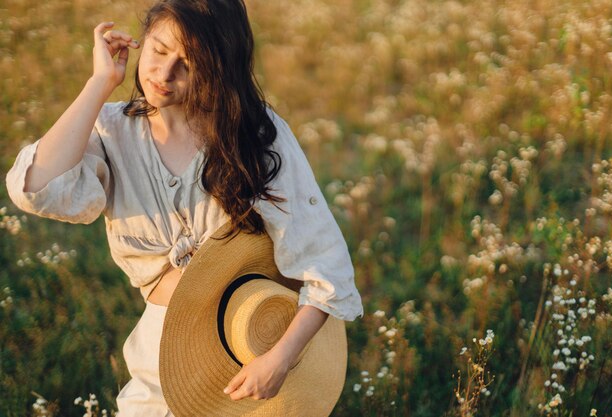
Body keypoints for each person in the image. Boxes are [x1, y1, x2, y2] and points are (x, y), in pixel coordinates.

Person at [5, 0, 363, 415]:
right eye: (158, 51)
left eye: (189, 64)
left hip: (253, 359)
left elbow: (325, 265)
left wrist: (279, 360)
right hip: (159, 357)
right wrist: (100, 83)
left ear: (219, 69)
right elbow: (35, 188)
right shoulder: (112, 130)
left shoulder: (254, 134)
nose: (164, 74)